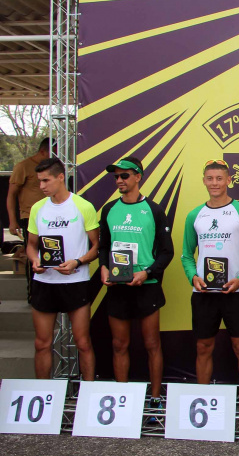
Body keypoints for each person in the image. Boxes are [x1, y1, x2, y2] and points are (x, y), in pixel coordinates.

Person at [98, 157, 173, 422]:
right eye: (116, 177)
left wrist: (147, 273)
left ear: (138, 177)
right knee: (119, 344)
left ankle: (155, 400)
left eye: (125, 176)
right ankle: (120, 402)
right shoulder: (108, 210)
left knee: (152, 344)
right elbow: (104, 246)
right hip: (118, 286)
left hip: (147, 286)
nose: (119, 181)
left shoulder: (153, 210)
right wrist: (104, 268)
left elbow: (167, 252)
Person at [180, 159, 239, 413]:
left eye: (219, 178)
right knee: (203, 347)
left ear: (229, 181)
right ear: (204, 181)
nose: (215, 183)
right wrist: (193, 277)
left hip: (235, 291)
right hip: (204, 293)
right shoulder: (195, 215)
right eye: (210, 178)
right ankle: (201, 403)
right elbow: (185, 255)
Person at [25, 157, 97, 380]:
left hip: (75, 281)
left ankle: (88, 393)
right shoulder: (38, 208)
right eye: (39, 181)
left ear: (60, 177)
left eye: (46, 180)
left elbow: (97, 246)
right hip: (45, 282)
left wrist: (77, 262)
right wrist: (34, 260)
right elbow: (31, 245)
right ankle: (43, 394)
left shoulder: (83, 206)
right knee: (42, 343)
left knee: (83, 342)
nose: (42, 186)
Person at [7, 137, 52, 298]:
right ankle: (32, 294)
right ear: (42, 151)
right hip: (29, 217)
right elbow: (11, 195)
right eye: (52, 153)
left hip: (52, 217)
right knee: (32, 252)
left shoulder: (54, 169)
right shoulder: (23, 166)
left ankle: (50, 291)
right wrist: (13, 220)